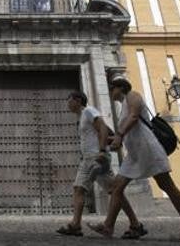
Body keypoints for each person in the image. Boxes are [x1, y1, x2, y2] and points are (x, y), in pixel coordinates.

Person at [87, 76, 180, 241]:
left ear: (120, 88)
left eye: (112, 88)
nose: (111, 92)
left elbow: (134, 117)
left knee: (167, 186)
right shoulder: (122, 107)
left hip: (148, 150)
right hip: (134, 154)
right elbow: (129, 131)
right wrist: (108, 140)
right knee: (116, 187)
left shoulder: (133, 95)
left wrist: (119, 135)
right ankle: (110, 226)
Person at [56, 90, 147, 239]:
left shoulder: (89, 111)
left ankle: (135, 224)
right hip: (88, 159)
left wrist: (103, 150)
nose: (67, 103)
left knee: (109, 190)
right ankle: (76, 225)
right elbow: (106, 132)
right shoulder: (82, 117)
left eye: (69, 99)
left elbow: (103, 128)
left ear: (78, 100)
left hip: (96, 158)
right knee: (86, 189)